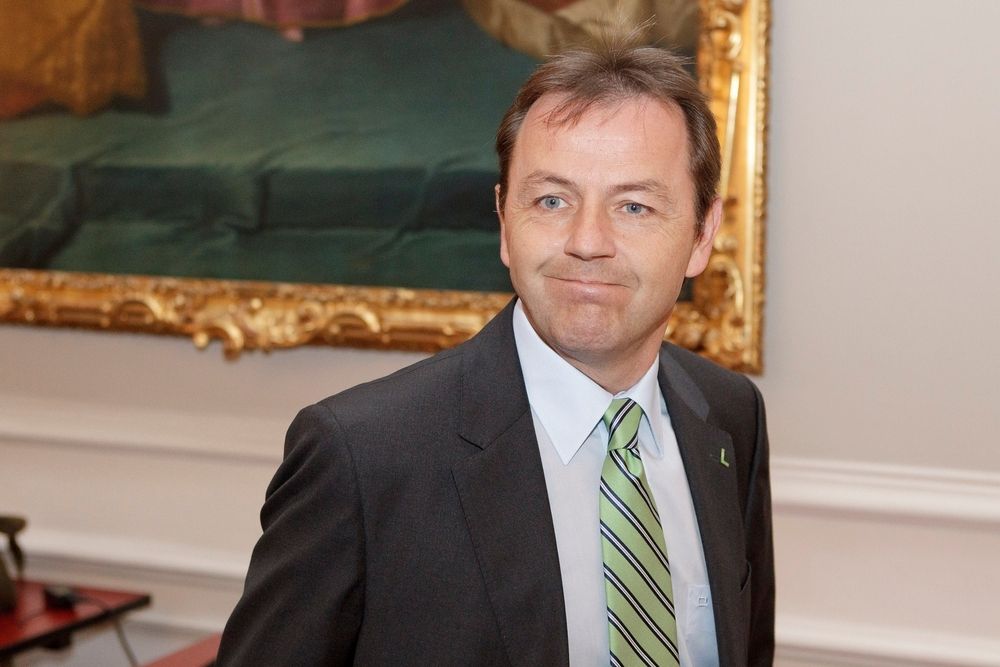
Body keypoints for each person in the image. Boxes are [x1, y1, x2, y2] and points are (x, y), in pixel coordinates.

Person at [216, 38, 774, 667]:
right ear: (505, 221)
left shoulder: (730, 416)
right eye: (552, 200)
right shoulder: (362, 455)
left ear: (702, 235)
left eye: (635, 206)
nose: (587, 241)